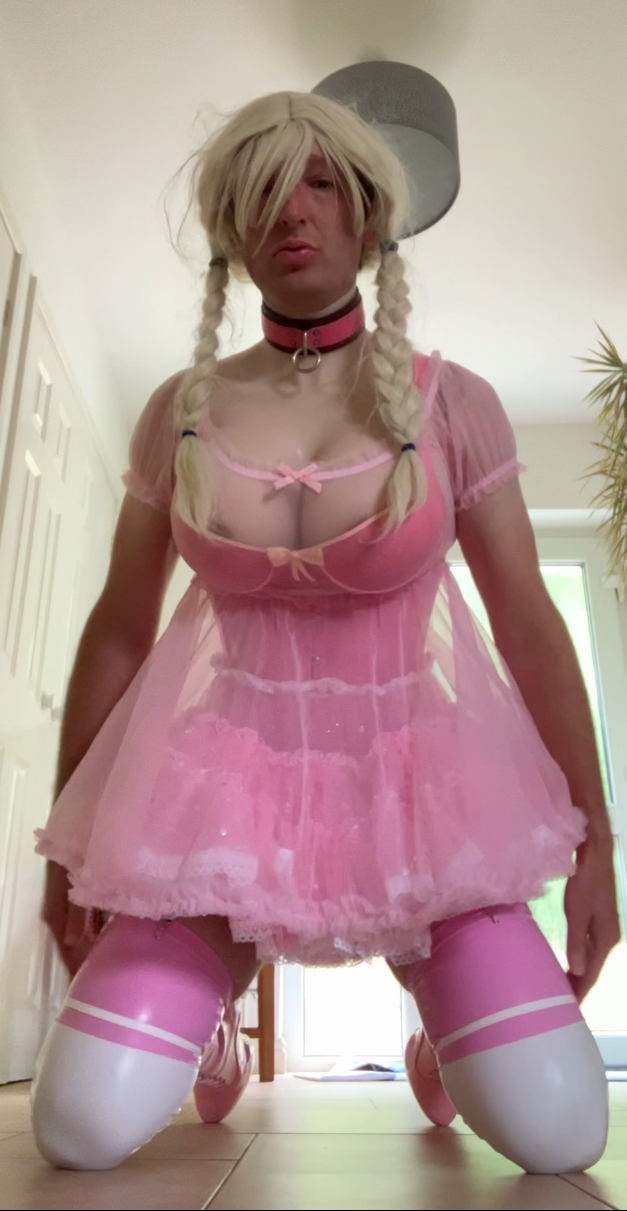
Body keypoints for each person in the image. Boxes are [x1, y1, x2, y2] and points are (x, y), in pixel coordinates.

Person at [32, 91, 618, 1173]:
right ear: (231, 228)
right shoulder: (179, 410)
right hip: (218, 797)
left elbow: (530, 625)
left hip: (420, 795)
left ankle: (434, 1027)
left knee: (563, 1133)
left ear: (368, 213)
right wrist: (68, 857)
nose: (291, 212)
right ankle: (212, 1025)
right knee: (76, 1126)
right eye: (261, 192)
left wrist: (599, 844)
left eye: (319, 184)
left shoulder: (454, 402)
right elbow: (118, 628)